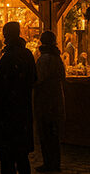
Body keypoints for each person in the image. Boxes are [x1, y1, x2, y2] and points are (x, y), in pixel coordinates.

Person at [0, 22, 37, 174]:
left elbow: (0, 84)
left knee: (7, 157)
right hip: (23, 109)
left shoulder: (8, 56)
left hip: (7, 113)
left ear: (7, 35)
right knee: (22, 156)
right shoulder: (27, 54)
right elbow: (34, 78)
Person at [34, 31, 65, 173]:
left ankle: (48, 163)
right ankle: (55, 163)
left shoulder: (43, 59)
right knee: (54, 134)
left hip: (45, 100)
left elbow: (38, 79)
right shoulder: (58, 58)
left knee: (46, 133)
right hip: (57, 98)